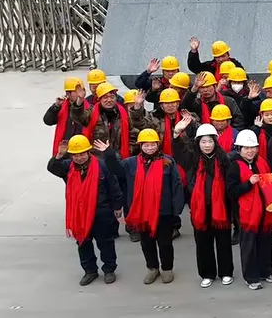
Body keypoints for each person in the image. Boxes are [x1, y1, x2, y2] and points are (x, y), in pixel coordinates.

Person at [49, 134, 123, 285]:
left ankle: (109, 270)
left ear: (89, 152)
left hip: (101, 211)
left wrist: (117, 206)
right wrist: (59, 155)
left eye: (82, 153)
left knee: (105, 243)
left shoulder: (102, 166)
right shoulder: (67, 167)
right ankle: (90, 271)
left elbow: (113, 186)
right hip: (79, 213)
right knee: (83, 243)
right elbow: (53, 169)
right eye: (75, 155)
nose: (79, 158)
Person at [122, 128, 185, 285]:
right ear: (140, 146)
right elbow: (115, 170)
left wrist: (176, 209)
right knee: (147, 243)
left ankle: (167, 269)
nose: (150, 148)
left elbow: (177, 184)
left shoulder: (168, 162)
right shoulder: (131, 163)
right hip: (142, 212)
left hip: (163, 211)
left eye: (153, 145)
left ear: (158, 144)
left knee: (165, 243)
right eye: (146, 145)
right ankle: (152, 268)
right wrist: (108, 152)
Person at [186, 123, 237, 287]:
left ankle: (226, 272)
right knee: (202, 242)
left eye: (210, 141)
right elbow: (180, 151)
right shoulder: (193, 159)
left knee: (223, 241)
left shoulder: (225, 160)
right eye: (203, 142)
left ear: (216, 142)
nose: (207, 145)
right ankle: (207, 273)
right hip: (200, 209)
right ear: (198, 143)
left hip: (221, 207)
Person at [230, 129, 272, 290]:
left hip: (265, 211)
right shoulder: (234, 166)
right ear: (239, 149)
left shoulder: (261, 162)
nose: (250, 151)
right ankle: (251, 277)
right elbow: (232, 192)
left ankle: (267, 271)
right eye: (246, 148)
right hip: (246, 214)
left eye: (253, 147)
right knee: (249, 246)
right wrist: (248, 183)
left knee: (265, 243)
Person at [47, 76, 91, 155]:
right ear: (68, 93)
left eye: (81, 90)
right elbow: (48, 121)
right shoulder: (61, 107)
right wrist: (56, 106)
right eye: (76, 91)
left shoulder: (90, 108)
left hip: (82, 150)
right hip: (65, 150)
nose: (80, 93)